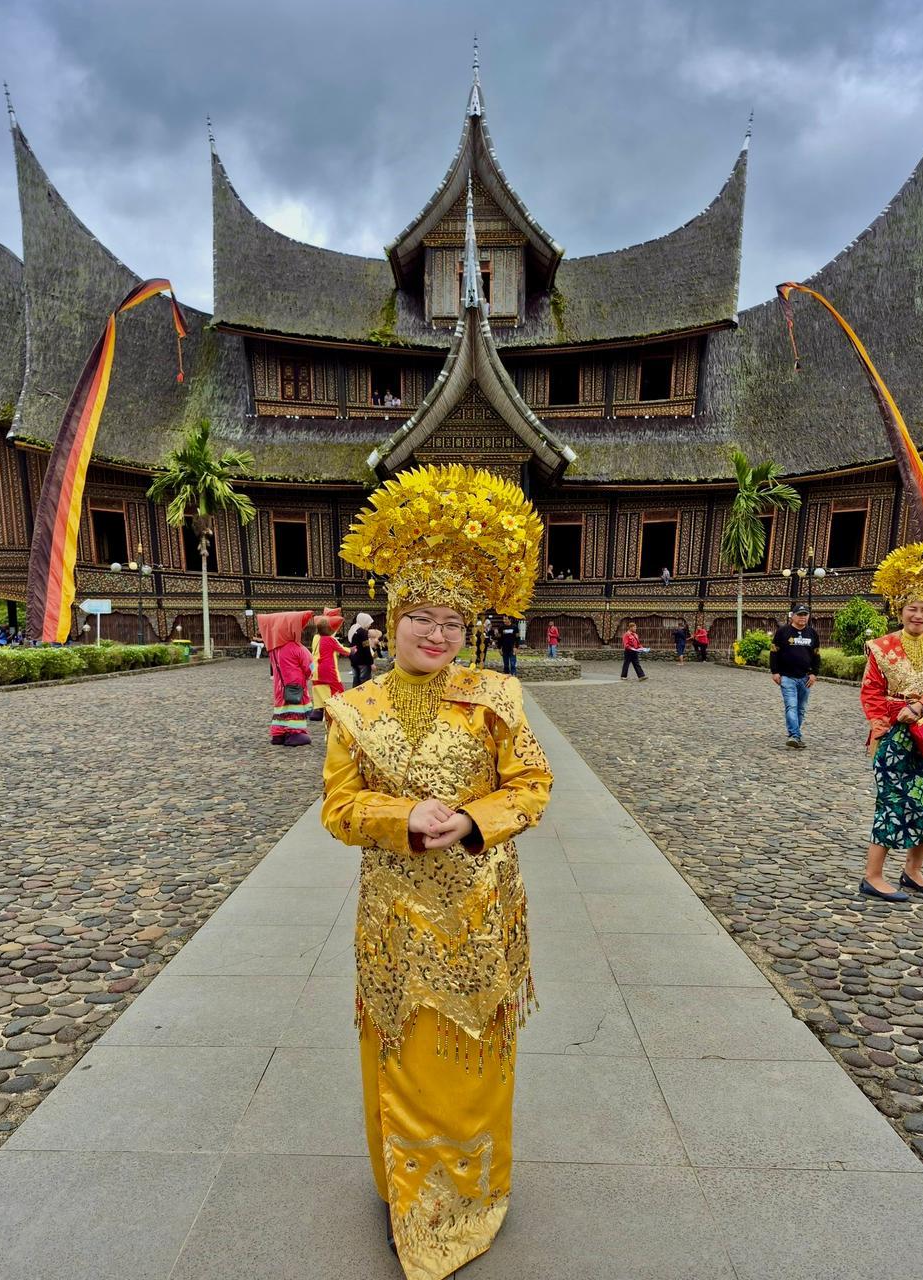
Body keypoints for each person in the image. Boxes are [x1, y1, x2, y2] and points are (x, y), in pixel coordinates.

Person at [321, 463, 552, 1278]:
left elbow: (533, 785)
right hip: (395, 917)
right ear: (391, 620)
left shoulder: (497, 697)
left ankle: (472, 1190)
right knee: (403, 1052)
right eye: (420, 616)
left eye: (453, 621)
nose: (437, 633)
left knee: (474, 1056)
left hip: (482, 911)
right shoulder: (356, 710)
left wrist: (476, 820)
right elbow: (340, 809)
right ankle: (407, 1191)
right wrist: (402, 820)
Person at [859, 544, 923, 901]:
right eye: (912, 608)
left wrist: (922, 705)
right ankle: (872, 876)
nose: (918, 615)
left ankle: (913, 871)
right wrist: (883, 728)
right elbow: (871, 692)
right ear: (900, 610)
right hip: (894, 737)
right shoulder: (882, 647)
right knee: (891, 803)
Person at [257, 610, 314, 746]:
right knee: (295, 709)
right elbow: (309, 665)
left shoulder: (273, 649)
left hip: (279, 686)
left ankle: (278, 733)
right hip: (295, 686)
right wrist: (309, 674)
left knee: (281, 708)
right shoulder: (296, 647)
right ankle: (295, 733)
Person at [770, 604, 820, 748]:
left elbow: (816, 655)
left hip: (805, 677)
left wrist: (814, 673)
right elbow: (774, 652)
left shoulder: (812, 633)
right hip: (787, 676)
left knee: (801, 709)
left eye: (805, 614)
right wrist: (775, 671)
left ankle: (794, 733)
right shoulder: (782, 632)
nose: (802, 617)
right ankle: (795, 735)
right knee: (791, 705)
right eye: (800, 614)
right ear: (793, 616)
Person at [309, 613, 349, 721]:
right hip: (327, 669)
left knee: (318, 689)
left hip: (314, 668)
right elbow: (343, 650)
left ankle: (318, 711)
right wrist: (353, 650)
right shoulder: (330, 639)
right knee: (336, 689)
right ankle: (338, 710)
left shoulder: (315, 637)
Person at [348, 612, 375, 687]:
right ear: (364, 621)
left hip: (354, 661)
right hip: (363, 661)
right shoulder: (363, 632)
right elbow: (366, 648)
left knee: (356, 682)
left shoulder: (353, 630)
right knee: (364, 683)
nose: (370, 625)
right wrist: (371, 663)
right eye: (369, 623)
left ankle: (355, 694)